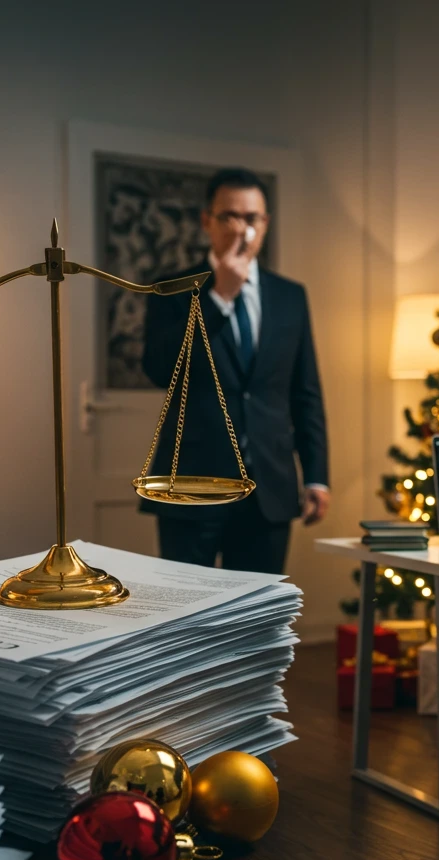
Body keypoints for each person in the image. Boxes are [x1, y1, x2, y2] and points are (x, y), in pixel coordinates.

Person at [141, 167, 329, 573]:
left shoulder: (290, 296)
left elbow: (305, 392)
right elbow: (159, 370)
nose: (242, 230)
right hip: (190, 487)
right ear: (207, 220)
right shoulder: (170, 288)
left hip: (270, 489)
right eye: (230, 216)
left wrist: (317, 476)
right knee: (185, 620)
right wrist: (220, 296)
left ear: (265, 224)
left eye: (252, 218)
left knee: (259, 622)